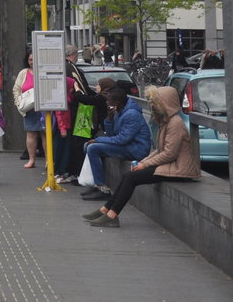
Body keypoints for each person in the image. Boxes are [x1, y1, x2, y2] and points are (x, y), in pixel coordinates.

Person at [83, 85, 200, 227]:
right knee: (129, 176)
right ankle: (106, 209)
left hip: (178, 169)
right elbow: (160, 150)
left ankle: (112, 214)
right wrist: (145, 162)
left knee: (130, 178)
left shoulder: (175, 124)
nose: (152, 107)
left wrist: (145, 164)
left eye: (156, 104)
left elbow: (169, 154)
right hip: (171, 165)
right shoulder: (168, 122)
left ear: (166, 104)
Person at [79, 88, 152, 200]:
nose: (106, 103)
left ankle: (102, 189)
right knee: (87, 146)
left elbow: (122, 139)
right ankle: (96, 183)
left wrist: (98, 140)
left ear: (117, 102)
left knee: (93, 148)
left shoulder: (131, 114)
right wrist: (109, 119)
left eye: (108, 101)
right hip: (127, 146)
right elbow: (112, 135)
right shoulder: (119, 111)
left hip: (136, 149)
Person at [13, 50, 43, 169]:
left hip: (43, 108)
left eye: (34, 59)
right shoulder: (23, 73)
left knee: (45, 134)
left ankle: (48, 160)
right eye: (30, 60)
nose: (32, 62)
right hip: (29, 109)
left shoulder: (43, 72)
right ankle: (31, 159)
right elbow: (16, 89)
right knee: (31, 134)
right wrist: (18, 102)